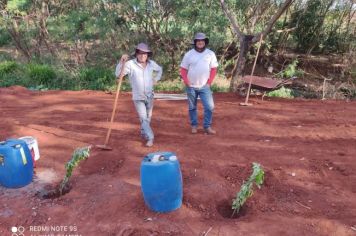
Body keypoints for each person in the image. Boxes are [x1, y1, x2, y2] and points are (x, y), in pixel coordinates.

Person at [115, 43, 162, 147]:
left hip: (150, 95)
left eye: (145, 54)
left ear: (148, 55)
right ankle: (150, 137)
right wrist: (121, 62)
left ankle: (143, 132)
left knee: (148, 117)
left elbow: (160, 69)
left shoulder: (151, 64)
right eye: (140, 53)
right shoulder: (130, 64)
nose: (142, 56)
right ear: (136, 54)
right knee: (143, 118)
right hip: (138, 97)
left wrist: (156, 79)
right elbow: (118, 74)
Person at [180, 32, 218, 135]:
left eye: (202, 41)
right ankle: (194, 125)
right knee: (192, 107)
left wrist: (209, 82)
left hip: (204, 86)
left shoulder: (210, 54)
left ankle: (207, 126)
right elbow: (183, 70)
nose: (200, 42)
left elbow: (214, 69)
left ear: (205, 42)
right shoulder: (189, 54)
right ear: (195, 42)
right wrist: (187, 82)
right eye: (198, 41)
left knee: (210, 107)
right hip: (191, 86)